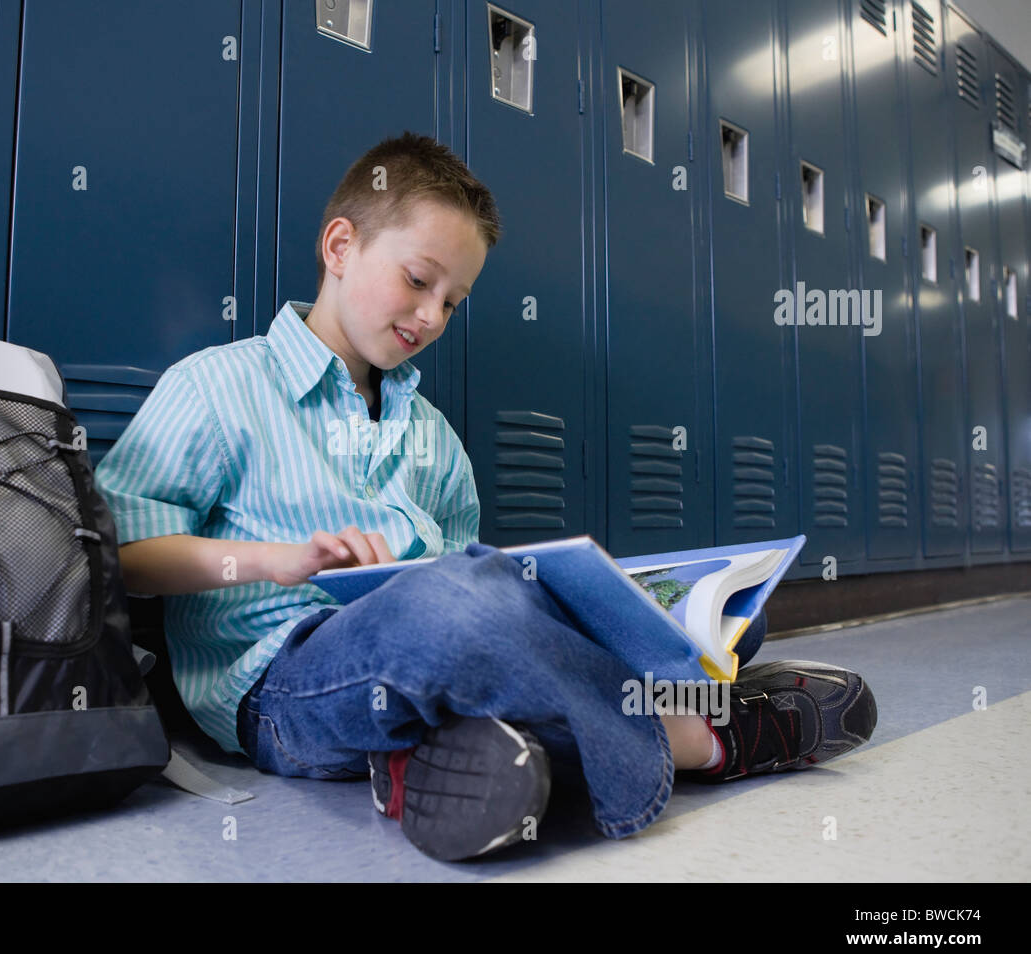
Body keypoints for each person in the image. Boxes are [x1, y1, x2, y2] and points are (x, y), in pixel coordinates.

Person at [93, 132, 877, 862]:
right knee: (452, 609)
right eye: (417, 280)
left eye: (454, 302)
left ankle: (451, 758)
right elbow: (124, 560)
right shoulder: (218, 384)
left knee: (710, 603)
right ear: (340, 246)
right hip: (287, 686)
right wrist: (271, 559)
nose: (432, 317)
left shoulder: (432, 434)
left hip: (444, 653)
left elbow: (493, 602)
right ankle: (703, 735)